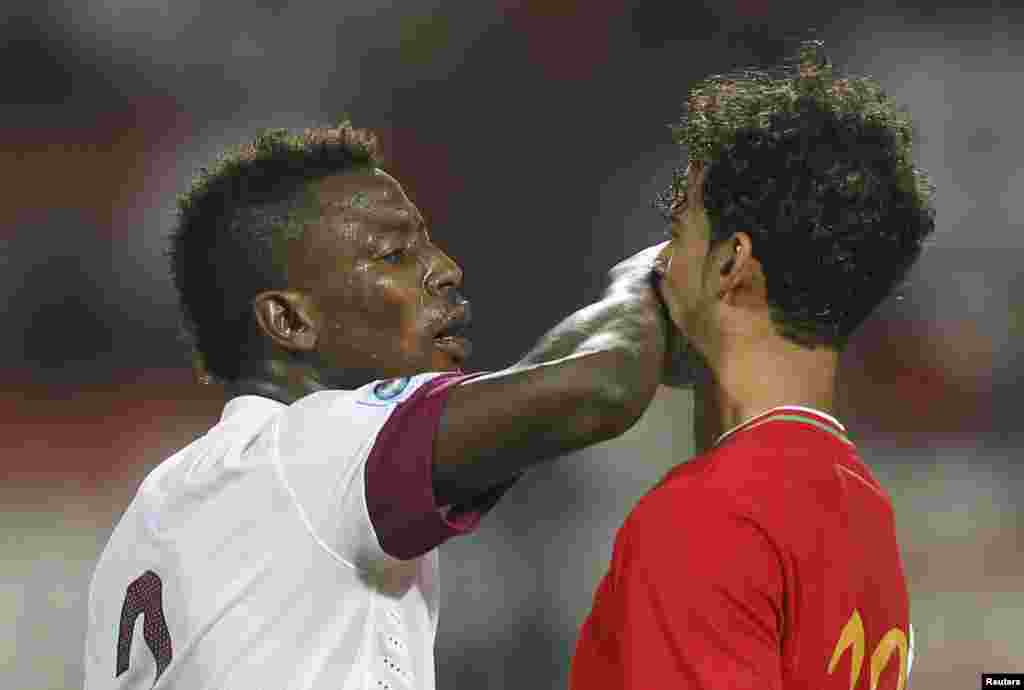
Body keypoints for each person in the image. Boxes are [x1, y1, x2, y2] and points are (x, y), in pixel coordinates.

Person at [84, 124, 675, 689]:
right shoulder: (316, 448)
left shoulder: (151, 516)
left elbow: (531, 382)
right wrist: (653, 275)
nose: (445, 269)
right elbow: (599, 389)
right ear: (289, 320)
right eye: (395, 253)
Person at [571, 41, 935, 690]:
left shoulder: (705, 519)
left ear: (732, 263)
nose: (655, 263)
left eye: (677, 227)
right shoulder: (863, 515)